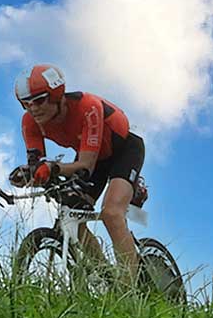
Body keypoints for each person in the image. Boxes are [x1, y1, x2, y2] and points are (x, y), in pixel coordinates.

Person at [8, 64, 145, 288]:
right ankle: (107, 280)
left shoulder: (87, 107)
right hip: (94, 157)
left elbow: (85, 165)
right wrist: (28, 174)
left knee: (111, 213)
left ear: (56, 94)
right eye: (26, 104)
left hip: (124, 149)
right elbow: (38, 164)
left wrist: (53, 168)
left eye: (40, 100)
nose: (33, 109)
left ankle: (131, 291)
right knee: (73, 214)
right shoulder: (30, 122)